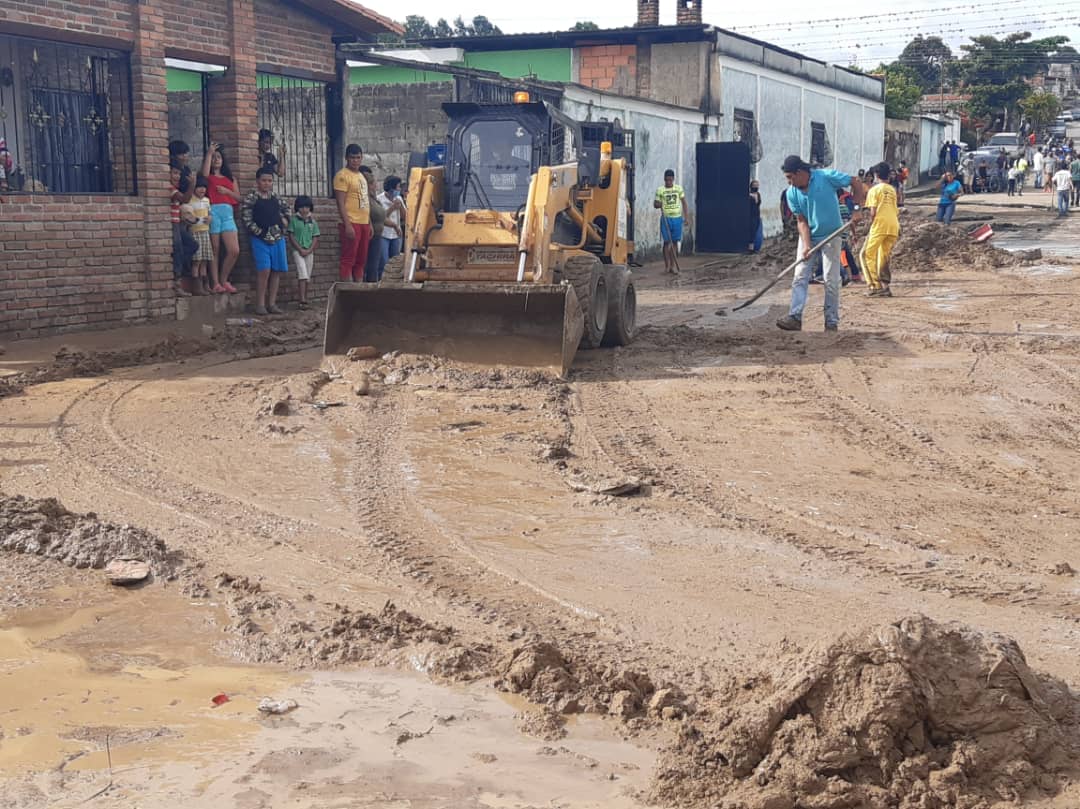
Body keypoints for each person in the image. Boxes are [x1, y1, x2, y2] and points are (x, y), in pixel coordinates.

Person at [775, 155, 866, 333]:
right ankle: (794, 317)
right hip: (809, 235)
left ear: (800, 173)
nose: (790, 182)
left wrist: (856, 209)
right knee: (800, 276)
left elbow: (855, 182)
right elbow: (801, 221)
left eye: (790, 177)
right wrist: (807, 245)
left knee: (831, 280)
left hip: (832, 235)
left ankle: (831, 322)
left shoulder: (825, 177)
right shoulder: (791, 193)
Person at [241, 167, 291, 315]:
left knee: (276, 271)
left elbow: (287, 210)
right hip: (259, 239)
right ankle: (260, 304)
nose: (267, 183)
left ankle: (272, 304)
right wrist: (261, 233)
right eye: (264, 180)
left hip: (278, 239)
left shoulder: (276, 197)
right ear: (257, 181)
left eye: (269, 181)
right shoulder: (252, 198)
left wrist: (284, 223)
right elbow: (246, 218)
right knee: (264, 270)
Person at [200, 143, 241, 293]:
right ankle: (215, 282)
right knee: (215, 249)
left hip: (228, 212)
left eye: (219, 157)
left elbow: (238, 197)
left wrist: (227, 192)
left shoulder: (230, 178)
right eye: (214, 158)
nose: (216, 160)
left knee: (234, 250)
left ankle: (224, 279)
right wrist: (209, 153)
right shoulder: (208, 177)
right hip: (213, 211)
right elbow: (203, 176)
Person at [860, 162, 900, 298]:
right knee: (883, 256)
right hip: (893, 225)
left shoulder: (874, 190)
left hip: (880, 224)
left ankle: (874, 286)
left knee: (865, 255)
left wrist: (871, 225)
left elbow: (873, 212)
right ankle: (885, 286)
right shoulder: (892, 190)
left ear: (876, 176)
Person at [333, 143, 371, 283]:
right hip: (351, 222)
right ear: (346, 158)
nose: (355, 160)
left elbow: (365, 200)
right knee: (349, 259)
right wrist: (347, 225)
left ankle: (359, 291)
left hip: (364, 223)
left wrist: (369, 223)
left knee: (361, 260)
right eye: (352, 158)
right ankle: (347, 292)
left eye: (358, 158)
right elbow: (340, 202)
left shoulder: (361, 175)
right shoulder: (342, 176)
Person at [286, 194, 320, 309]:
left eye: (306, 207)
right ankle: (302, 300)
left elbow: (315, 237)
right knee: (302, 274)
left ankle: (306, 298)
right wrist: (299, 249)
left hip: (309, 251)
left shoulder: (312, 222)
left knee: (308, 276)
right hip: (298, 251)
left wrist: (310, 249)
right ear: (297, 208)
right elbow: (291, 236)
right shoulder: (294, 220)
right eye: (301, 207)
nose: (304, 209)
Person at [182, 177, 213, 295]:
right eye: (200, 187)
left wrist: (210, 218)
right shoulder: (190, 201)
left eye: (204, 187)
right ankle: (196, 285)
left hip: (205, 232)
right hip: (195, 232)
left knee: (204, 259)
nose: (202, 189)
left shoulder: (207, 201)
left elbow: (209, 214)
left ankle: (205, 283)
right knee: (197, 260)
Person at [654, 169, 689, 274]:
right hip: (666, 218)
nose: (668, 182)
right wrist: (658, 204)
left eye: (670, 180)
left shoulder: (678, 189)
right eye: (666, 180)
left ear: (673, 179)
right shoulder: (660, 190)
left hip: (677, 219)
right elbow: (655, 204)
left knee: (674, 242)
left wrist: (686, 217)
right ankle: (667, 266)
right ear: (664, 180)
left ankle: (672, 267)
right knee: (666, 242)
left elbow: (684, 203)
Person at [170, 165, 195, 296]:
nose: (177, 176)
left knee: (192, 245)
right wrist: (192, 184)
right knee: (178, 248)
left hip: (177, 223)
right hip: (173, 224)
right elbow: (185, 199)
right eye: (174, 173)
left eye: (179, 174)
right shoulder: (170, 189)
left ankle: (177, 267)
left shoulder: (175, 188)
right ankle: (177, 281)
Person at [360, 165, 386, 283]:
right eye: (373, 183)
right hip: (371, 235)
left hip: (378, 234)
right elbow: (365, 213)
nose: (376, 186)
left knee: (377, 264)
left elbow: (383, 217)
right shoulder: (365, 199)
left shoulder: (375, 199)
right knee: (371, 265)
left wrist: (395, 226)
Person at [377, 175, 407, 273]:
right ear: (391, 188)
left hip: (396, 234)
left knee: (396, 262)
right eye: (398, 187)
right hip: (384, 234)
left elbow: (405, 217)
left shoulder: (399, 198)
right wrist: (392, 207)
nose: (399, 189)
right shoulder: (379, 199)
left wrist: (401, 206)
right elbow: (381, 217)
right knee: (384, 262)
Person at [747, 180, 763, 253]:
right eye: (754, 185)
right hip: (750, 215)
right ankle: (750, 248)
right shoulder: (748, 195)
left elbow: (758, 203)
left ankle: (753, 248)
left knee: (755, 231)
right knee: (751, 231)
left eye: (757, 185)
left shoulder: (758, 194)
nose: (756, 187)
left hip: (757, 215)